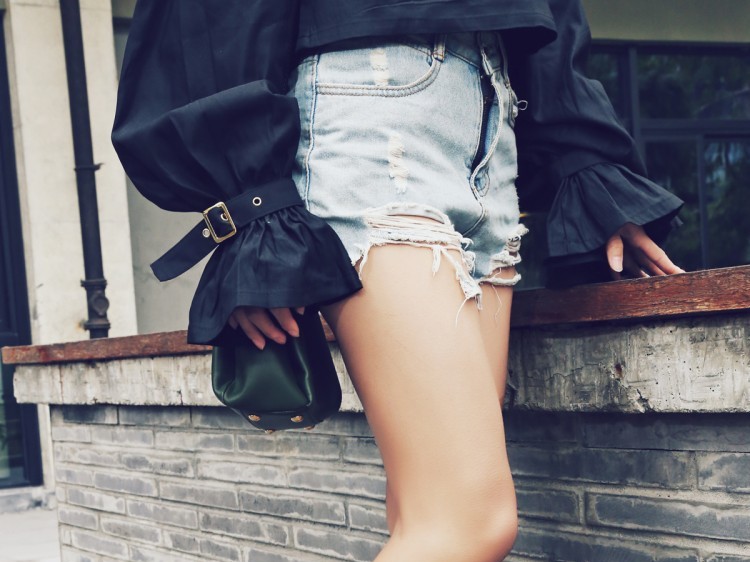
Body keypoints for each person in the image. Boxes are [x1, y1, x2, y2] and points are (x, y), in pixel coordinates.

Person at [112, 1, 685, 560]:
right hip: (369, 107)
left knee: (425, 517)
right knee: (468, 523)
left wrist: (588, 163)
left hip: (494, 115)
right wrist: (248, 199)